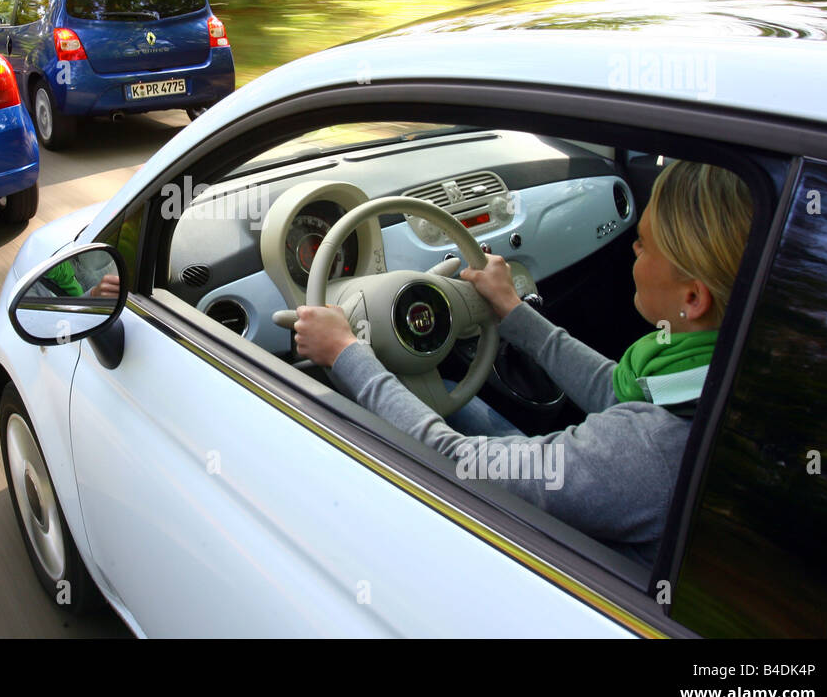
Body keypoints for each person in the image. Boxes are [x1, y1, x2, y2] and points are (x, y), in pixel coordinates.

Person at [293, 160, 754, 566]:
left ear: (692, 298)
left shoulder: (648, 450)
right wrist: (513, 312)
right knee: (453, 399)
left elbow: (454, 462)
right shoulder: (711, 375)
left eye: (645, 246)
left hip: (554, 574)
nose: (632, 248)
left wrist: (346, 354)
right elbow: (619, 390)